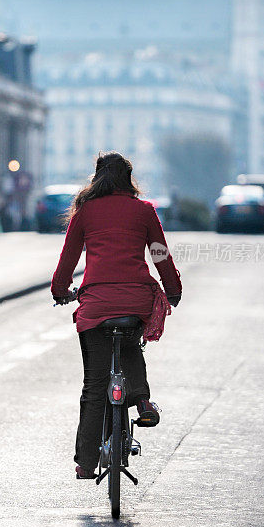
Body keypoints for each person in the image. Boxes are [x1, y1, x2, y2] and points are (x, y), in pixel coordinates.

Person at [51, 152, 182, 480]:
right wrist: (173, 288)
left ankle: (86, 461)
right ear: (129, 178)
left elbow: (68, 257)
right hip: (135, 299)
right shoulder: (145, 211)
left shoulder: (86, 211)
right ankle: (143, 403)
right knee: (129, 345)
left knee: (95, 385)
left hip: (96, 304)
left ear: (97, 178)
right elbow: (159, 253)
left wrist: (60, 290)